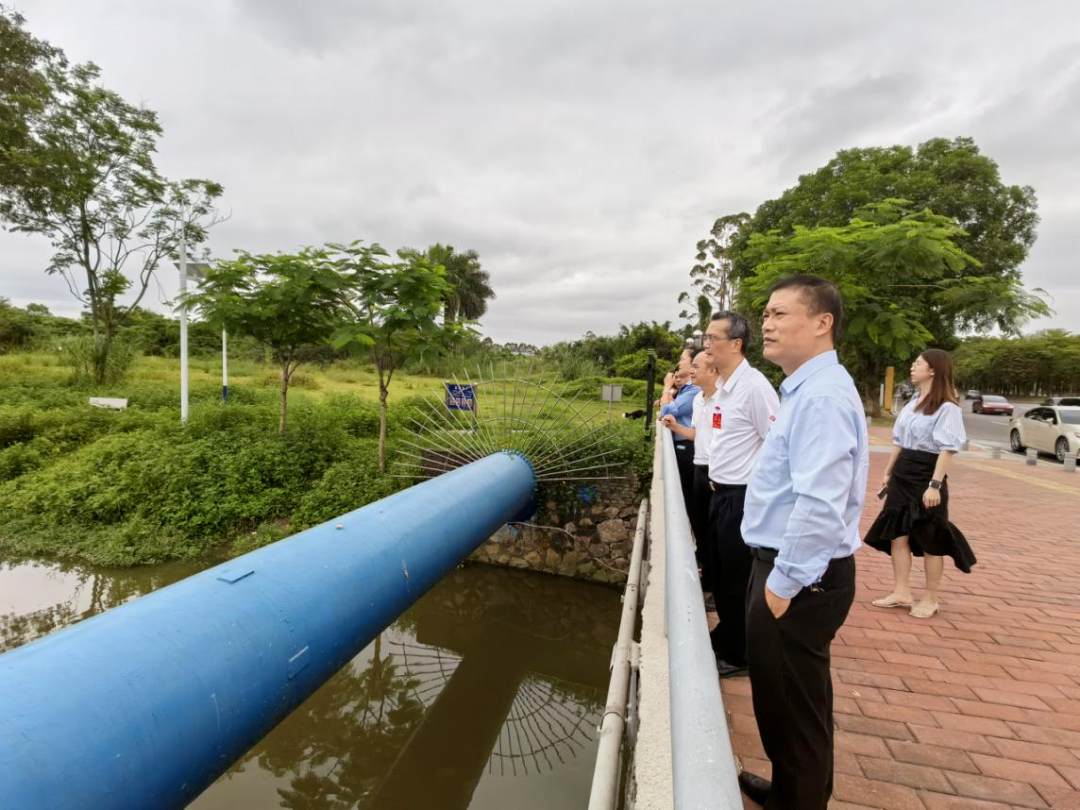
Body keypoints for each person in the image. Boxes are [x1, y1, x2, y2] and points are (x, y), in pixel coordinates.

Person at [738, 275, 868, 810]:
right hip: (787, 569)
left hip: (798, 577)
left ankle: (800, 799)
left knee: (794, 708)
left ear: (822, 323)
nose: (767, 324)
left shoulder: (821, 398)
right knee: (789, 703)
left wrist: (784, 582)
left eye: (780, 314)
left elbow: (820, 502)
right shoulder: (806, 390)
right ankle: (792, 789)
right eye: (766, 314)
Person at [866, 349, 976, 618]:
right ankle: (901, 591)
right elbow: (899, 441)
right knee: (898, 534)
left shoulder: (947, 408)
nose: (913, 367)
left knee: (930, 538)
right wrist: (888, 472)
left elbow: (947, 450)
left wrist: (935, 485)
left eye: (918, 364)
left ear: (934, 370)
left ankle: (930, 597)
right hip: (903, 472)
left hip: (927, 473)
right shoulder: (913, 401)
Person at [702, 311, 779, 678]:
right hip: (721, 494)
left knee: (736, 577)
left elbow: (776, 443)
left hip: (743, 497)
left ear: (736, 344)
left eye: (712, 339)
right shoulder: (725, 389)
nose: (707, 346)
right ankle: (728, 631)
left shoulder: (755, 387)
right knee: (719, 573)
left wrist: (759, 493)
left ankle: (741, 653)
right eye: (704, 338)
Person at [660, 348, 721, 584]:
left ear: (713, 369)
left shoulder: (725, 397)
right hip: (700, 464)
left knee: (709, 525)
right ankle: (706, 571)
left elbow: (668, 407)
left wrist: (667, 392)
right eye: (691, 365)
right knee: (698, 519)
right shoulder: (699, 398)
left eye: (694, 365)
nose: (687, 369)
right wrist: (675, 427)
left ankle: (712, 577)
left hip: (718, 473)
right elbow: (697, 433)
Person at [659, 352, 700, 516]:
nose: (678, 363)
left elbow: (666, 410)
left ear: (693, 366)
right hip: (683, 444)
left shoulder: (694, 390)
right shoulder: (685, 390)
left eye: (683, 359)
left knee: (687, 494)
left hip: (687, 447)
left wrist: (667, 387)